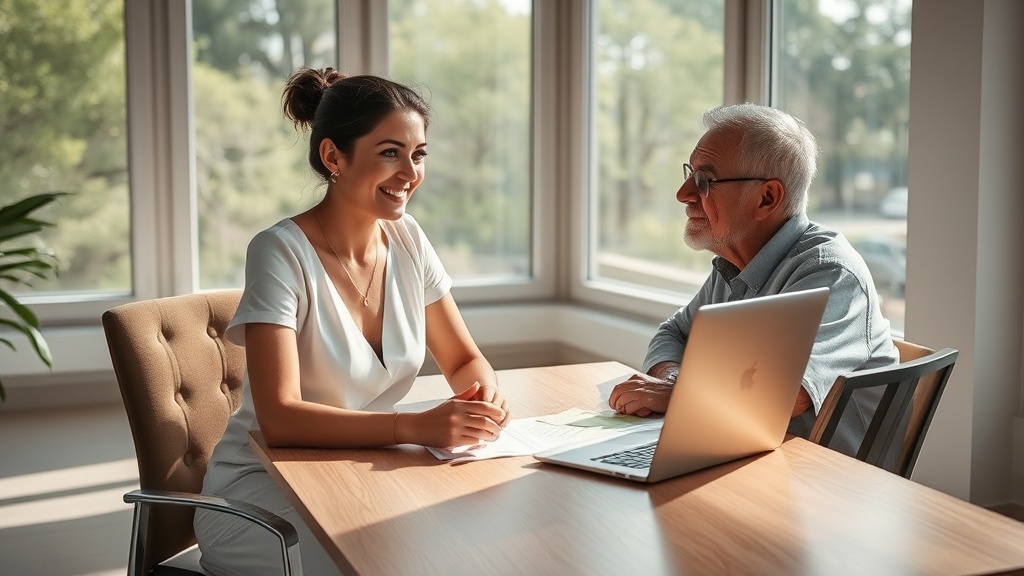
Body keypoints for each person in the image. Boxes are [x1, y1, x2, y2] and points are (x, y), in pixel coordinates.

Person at [194, 68, 509, 576]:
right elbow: (279, 417)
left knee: (473, 537)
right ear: (333, 156)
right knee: (404, 557)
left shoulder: (407, 239)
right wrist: (417, 426)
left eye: (419, 154)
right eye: (390, 152)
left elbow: (464, 358)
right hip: (263, 493)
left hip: (364, 475)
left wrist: (481, 398)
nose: (410, 172)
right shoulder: (278, 251)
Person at [607, 103, 899, 451]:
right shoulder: (737, 261)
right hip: (741, 454)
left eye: (704, 180)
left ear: (767, 197)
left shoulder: (830, 273)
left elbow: (786, 394)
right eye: (690, 174)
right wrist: (672, 379)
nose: (683, 194)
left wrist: (675, 395)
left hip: (824, 484)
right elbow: (675, 333)